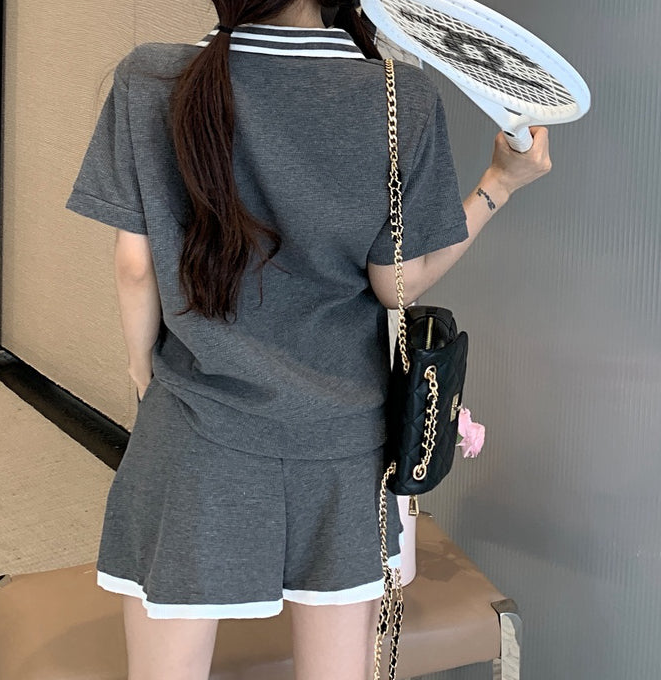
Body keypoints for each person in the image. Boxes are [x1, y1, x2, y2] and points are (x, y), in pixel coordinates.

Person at [65, 0, 551, 677]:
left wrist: (142, 372)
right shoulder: (399, 95)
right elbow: (398, 282)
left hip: (195, 428)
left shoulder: (151, 77)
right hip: (343, 440)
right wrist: (500, 182)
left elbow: (135, 266)